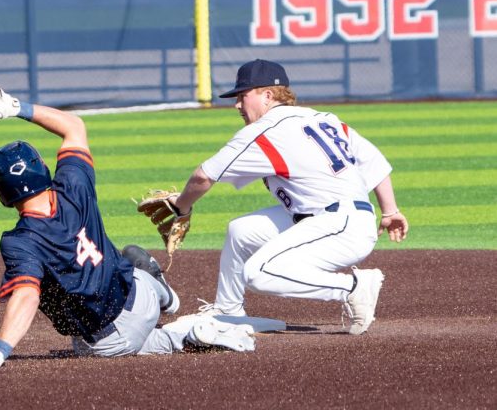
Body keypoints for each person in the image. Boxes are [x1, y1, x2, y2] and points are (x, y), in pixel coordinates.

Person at [0, 86, 255, 370]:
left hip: (112, 340)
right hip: (140, 295)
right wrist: (17, 107)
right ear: (43, 170)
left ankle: (184, 336)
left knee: (86, 346)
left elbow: (27, 295)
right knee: (128, 262)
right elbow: (74, 126)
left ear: (1, 195)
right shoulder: (74, 184)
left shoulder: (20, 242)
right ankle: (161, 291)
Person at [166, 59, 409, 335]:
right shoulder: (323, 119)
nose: (237, 105)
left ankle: (352, 288)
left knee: (257, 273)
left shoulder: (264, 132)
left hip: (339, 228)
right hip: (336, 218)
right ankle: (227, 311)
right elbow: (374, 161)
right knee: (241, 231)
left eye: (243, 96)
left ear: (267, 95)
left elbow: (203, 177)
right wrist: (390, 211)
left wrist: (181, 207)